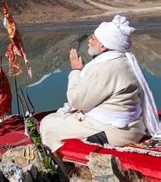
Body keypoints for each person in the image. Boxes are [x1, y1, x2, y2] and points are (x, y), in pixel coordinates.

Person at [40, 15, 160, 152]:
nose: (89, 41)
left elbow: (77, 101)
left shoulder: (106, 68)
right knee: (59, 119)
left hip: (114, 132)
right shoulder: (125, 61)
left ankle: (58, 165)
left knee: (48, 124)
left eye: (93, 38)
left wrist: (76, 71)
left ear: (103, 46)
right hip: (133, 127)